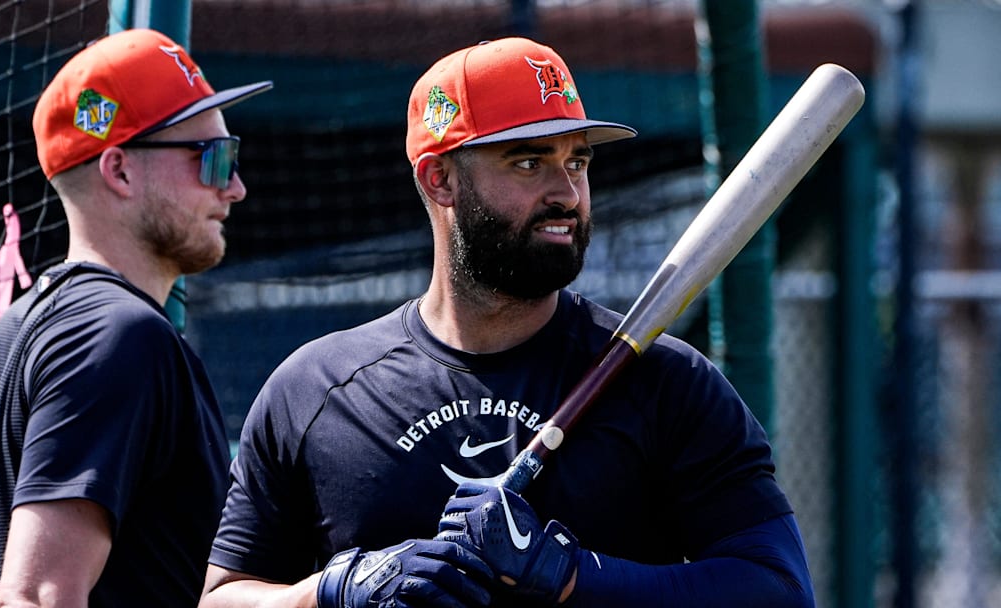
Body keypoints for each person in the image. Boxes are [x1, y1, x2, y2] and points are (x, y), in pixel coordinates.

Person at [201, 37, 814, 607]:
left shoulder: (664, 379)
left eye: (577, 162)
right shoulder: (317, 390)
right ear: (439, 179)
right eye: (529, 162)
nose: (567, 193)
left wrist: (570, 573)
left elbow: (778, 587)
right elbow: (223, 596)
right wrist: (334, 591)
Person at [0, 28, 272, 607]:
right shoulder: (115, 336)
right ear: (119, 171)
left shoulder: (26, 324)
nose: (236, 187)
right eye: (214, 160)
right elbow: (39, 597)